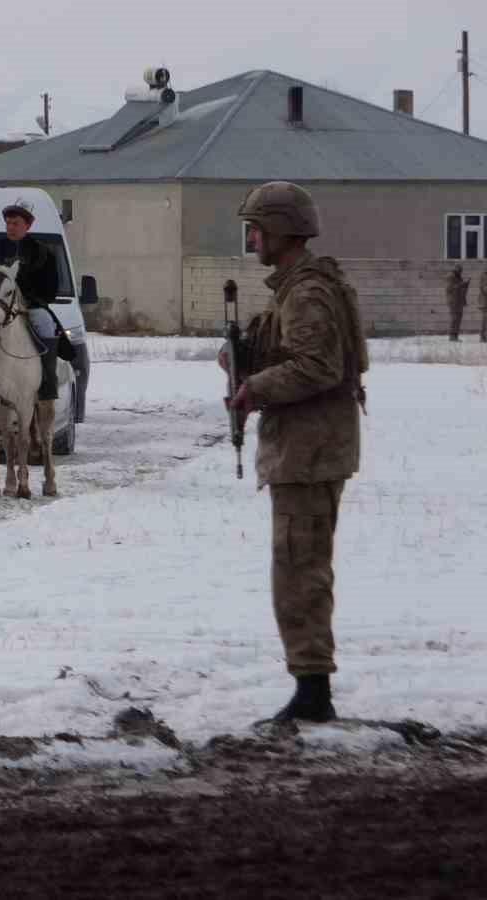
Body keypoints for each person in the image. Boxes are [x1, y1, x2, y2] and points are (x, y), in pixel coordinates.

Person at [222, 181, 368, 724]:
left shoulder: (306, 291)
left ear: (281, 230)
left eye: (257, 227)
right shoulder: (294, 288)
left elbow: (317, 366)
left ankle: (313, 693)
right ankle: (310, 686)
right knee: (297, 568)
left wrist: (254, 389)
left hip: (310, 451)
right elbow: (288, 352)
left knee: (300, 572)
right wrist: (240, 359)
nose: (251, 236)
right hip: (304, 448)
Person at [0, 198, 61, 399]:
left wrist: (30, 298)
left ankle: (47, 384)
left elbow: (51, 288)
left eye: (15, 223)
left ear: (28, 225)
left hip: (31, 308)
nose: (11, 227)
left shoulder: (43, 252)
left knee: (46, 325)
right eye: (8, 222)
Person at [445, 264, 469, 342]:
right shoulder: (450, 277)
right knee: (454, 319)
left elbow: (461, 289)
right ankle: (452, 336)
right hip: (453, 301)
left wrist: (466, 284)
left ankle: (455, 336)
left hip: (459, 301)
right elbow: (450, 288)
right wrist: (462, 284)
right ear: (456, 270)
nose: (460, 272)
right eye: (459, 270)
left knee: (458, 319)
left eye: (461, 271)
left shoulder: (459, 277)